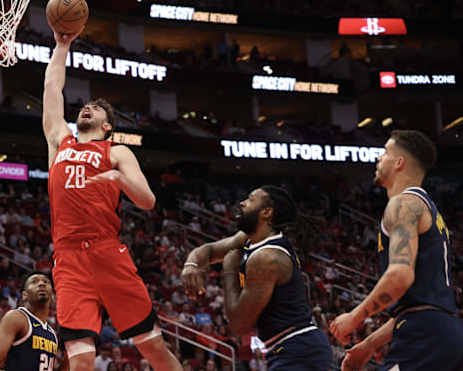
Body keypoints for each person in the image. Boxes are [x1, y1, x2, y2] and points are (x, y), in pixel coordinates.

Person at [43, 25, 181, 371]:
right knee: (81, 362)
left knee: (155, 351)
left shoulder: (116, 152)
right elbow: (51, 88)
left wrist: (118, 178)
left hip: (107, 252)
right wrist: (63, 45)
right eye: (86, 107)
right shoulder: (60, 141)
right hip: (69, 259)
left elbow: (148, 201)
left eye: (96, 109)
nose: (87, 108)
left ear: (107, 127)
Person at [330, 130, 463, 370]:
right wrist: (369, 344)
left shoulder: (402, 204)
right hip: (445, 332)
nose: (379, 158)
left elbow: (400, 276)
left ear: (399, 162)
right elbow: (418, 307)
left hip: (425, 336)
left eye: (385, 153)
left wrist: (354, 316)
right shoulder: (426, 208)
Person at [182, 185, 332, 370]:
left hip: (299, 349)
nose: (242, 203)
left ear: (267, 212)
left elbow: (240, 326)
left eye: (251, 199)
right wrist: (191, 265)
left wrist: (229, 271)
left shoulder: (266, 258)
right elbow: (208, 250)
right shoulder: (247, 239)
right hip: (289, 347)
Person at [0, 271, 64, 371]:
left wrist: (69, 355)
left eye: (46, 282)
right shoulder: (16, 317)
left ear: (52, 296)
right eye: (34, 282)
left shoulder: (52, 333)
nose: (41, 284)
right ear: (24, 295)